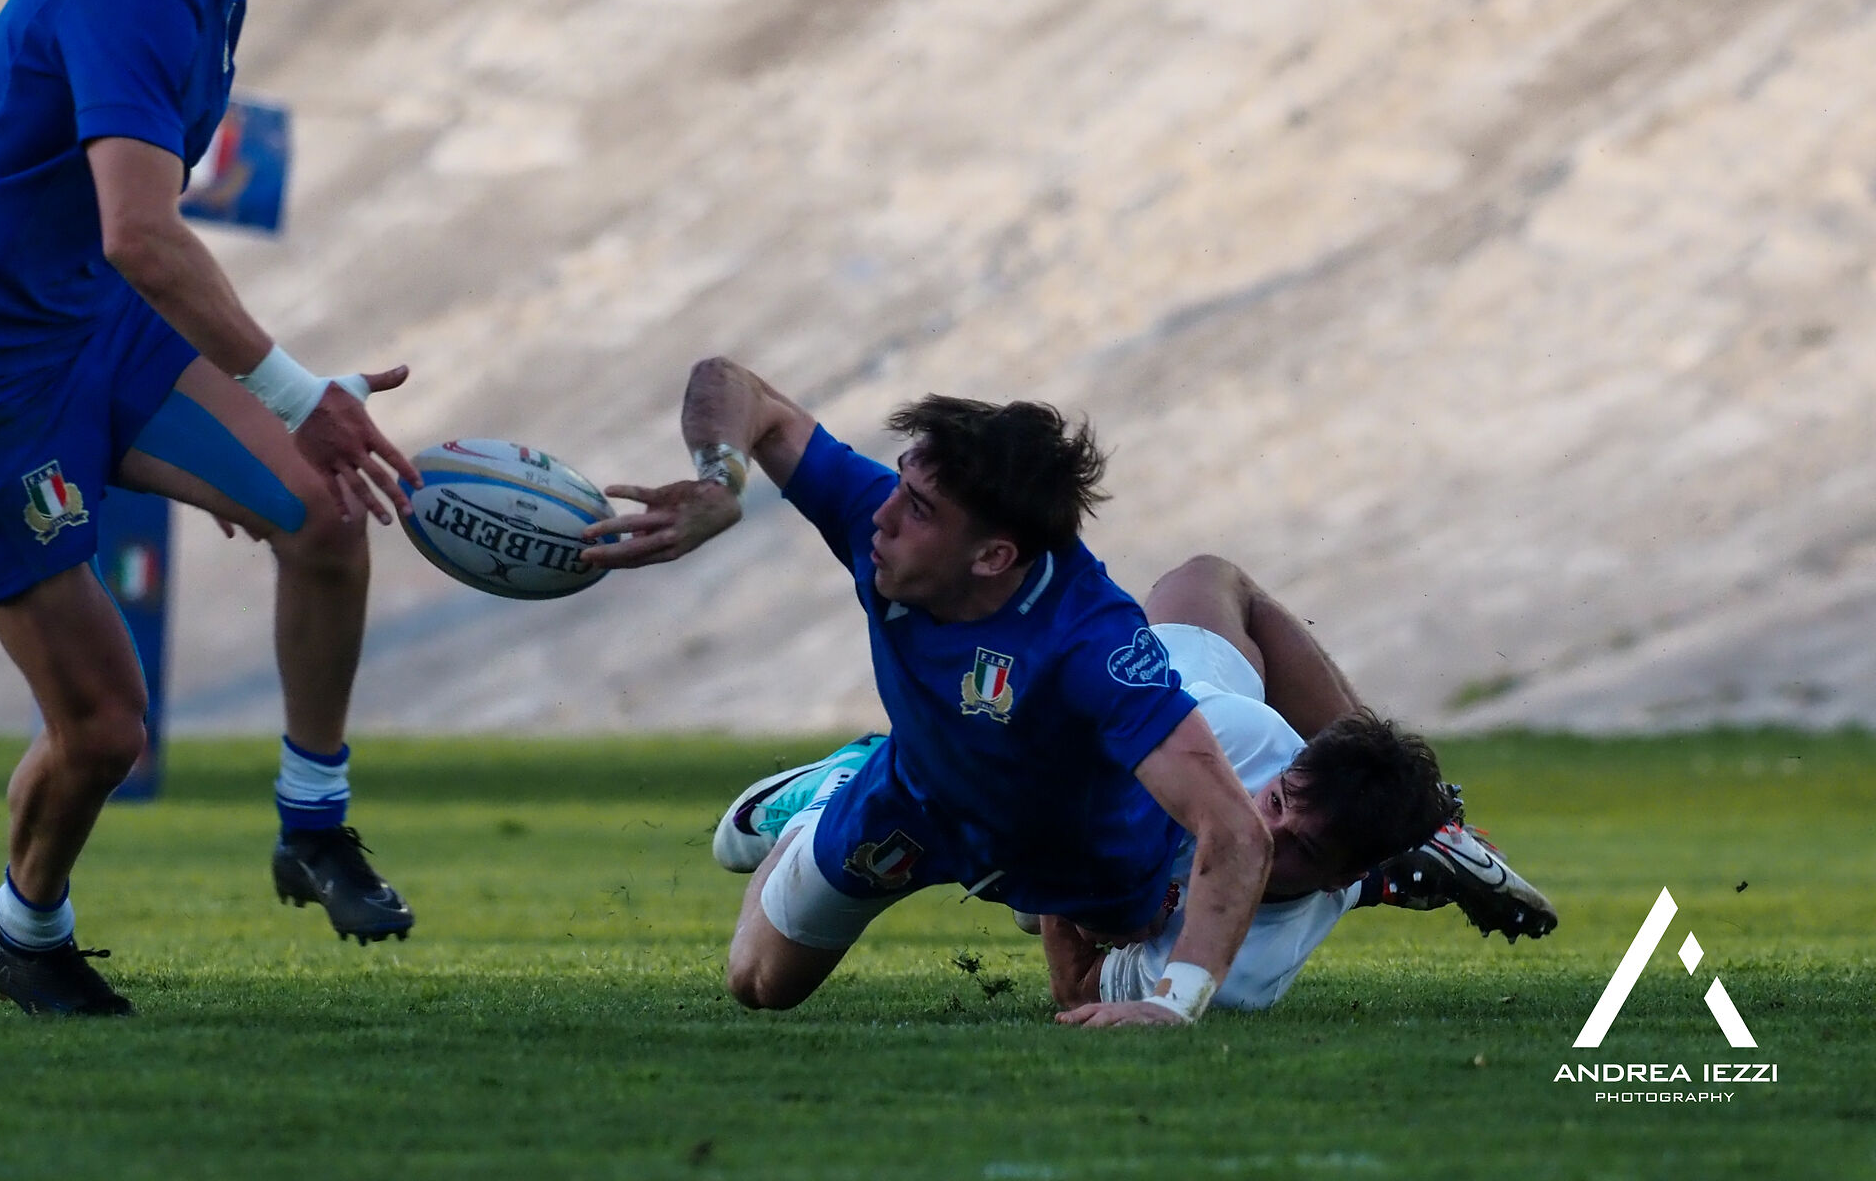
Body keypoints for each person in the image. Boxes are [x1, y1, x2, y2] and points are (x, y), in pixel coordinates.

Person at [0, 0, 422, 1016]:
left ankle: (313, 823)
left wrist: (268, 426)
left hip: (93, 332)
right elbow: (140, 231)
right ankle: (27, 929)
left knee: (323, 508)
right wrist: (293, 391)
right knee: (107, 732)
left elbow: (121, 246)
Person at [583, 359, 1278, 1028]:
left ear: (993, 557)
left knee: (1125, 922)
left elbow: (1237, 830)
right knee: (759, 984)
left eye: (917, 509)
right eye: (899, 484)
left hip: (1075, 846)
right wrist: (719, 481)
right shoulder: (880, 521)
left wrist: (1174, 1004)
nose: (880, 517)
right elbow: (736, 386)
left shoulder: (1091, 644)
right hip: (914, 801)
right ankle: (835, 788)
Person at [711, 557, 1559, 1019]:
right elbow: (1205, 596)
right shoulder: (1239, 736)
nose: (1264, 828)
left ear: (1337, 876)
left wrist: (1086, 908)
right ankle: (853, 784)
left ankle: (836, 797)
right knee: (1206, 580)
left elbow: (1076, 991)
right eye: (1276, 801)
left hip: (1019, 850)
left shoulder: (1246, 974)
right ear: (1286, 769)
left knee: (758, 985)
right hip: (1005, 771)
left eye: (1300, 847)